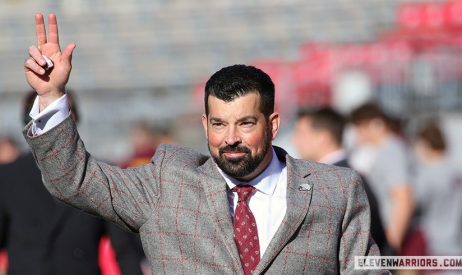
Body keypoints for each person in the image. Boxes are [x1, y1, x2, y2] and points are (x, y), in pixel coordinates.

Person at [22, 13, 388, 274]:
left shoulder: (336, 190)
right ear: (204, 124)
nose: (230, 139)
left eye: (245, 124)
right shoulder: (167, 184)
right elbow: (73, 179)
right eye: (218, 124)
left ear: (273, 124)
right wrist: (53, 95)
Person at [0, 90, 147, 275]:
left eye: (62, 113)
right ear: (29, 120)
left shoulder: (100, 174)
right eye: (45, 114)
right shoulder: (5, 177)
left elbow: (125, 249)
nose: (54, 124)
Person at [292, 108, 388, 253]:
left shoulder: (335, 181)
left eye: (300, 133)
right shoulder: (347, 175)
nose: (294, 141)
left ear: (323, 138)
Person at [350, 103, 414, 254]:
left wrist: (391, 245)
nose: (358, 133)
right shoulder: (375, 151)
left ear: (376, 124)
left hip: (389, 238)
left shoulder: (391, 151)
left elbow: (403, 198)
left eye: (361, 127)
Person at [413, 122, 462, 258]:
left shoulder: (426, 175)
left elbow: (411, 205)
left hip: (432, 248)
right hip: (457, 247)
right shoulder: (458, 170)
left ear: (425, 145)